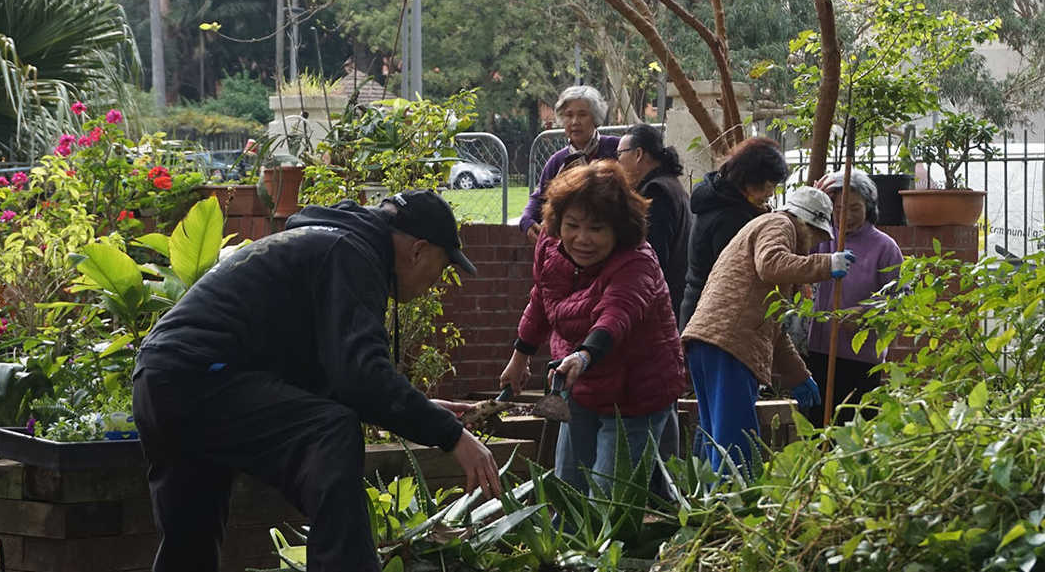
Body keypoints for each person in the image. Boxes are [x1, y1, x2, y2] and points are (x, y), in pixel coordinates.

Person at [131, 191, 501, 572]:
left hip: (162, 378)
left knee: (189, 543)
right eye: (442, 268)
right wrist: (452, 436)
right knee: (331, 430)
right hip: (202, 378)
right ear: (419, 250)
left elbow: (336, 374)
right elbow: (362, 377)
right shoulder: (352, 255)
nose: (435, 283)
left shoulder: (329, 242)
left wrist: (419, 410)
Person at [499, 161, 687, 494]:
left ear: (619, 229)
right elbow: (542, 300)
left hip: (636, 394)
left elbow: (616, 316)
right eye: (572, 225)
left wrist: (584, 356)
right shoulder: (550, 247)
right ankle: (566, 546)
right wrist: (520, 356)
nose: (582, 239)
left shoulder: (637, 262)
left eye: (597, 229)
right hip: (581, 387)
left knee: (610, 496)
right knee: (569, 487)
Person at [682, 186, 856, 475]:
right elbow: (770, 264)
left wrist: (799, 375)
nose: (813, 247)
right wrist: (826, 264)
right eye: (816, 237)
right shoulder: (780, 224)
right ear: (806, 222)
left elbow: (773, 327)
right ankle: (735, 509)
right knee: (735, 441)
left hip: (713, 341)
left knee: (716, 437)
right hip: (730, 344)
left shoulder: (768, 229)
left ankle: (714, 504)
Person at [804, 170, 904, 426]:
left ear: (869, 207)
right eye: (838, 208)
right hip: (821, 349)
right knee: (819, 427)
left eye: (854, 208)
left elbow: (898, 299)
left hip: (863, 357)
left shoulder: (885, 247)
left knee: (855, 427)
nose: (844, 216)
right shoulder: (823, 238)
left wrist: (865, 312)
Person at [680, 137, 789, 328]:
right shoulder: (731, 218)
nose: (771, 194)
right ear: (751, 180)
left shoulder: (718, 196)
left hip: (700, 308)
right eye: (770, 186)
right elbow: (740, 275)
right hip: (713, 319)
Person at [519, 85, 619, 241]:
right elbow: (539, 198)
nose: (575, 122)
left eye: (582, 114)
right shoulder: (557, 161)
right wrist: (526, 221)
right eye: (568, 115)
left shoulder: (616, 150)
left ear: (595, 118)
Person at [616, 123, 691, 313]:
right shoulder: (671, 184)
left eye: (620, 155)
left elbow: (653, 256)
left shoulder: (656, 192)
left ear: (638, 154)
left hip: (661, 304)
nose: (617, 163)